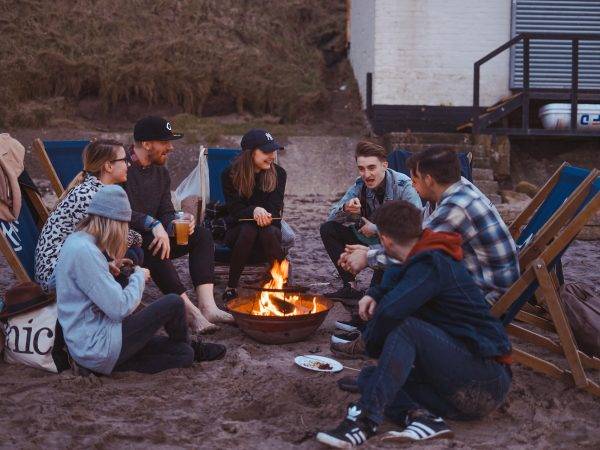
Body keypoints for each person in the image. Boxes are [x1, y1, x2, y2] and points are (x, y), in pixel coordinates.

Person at [317, 201, 512, 447]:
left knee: (405, 328)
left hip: (485, 380)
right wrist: (374, 294)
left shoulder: (432, 262)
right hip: (452, 390)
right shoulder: (417, 252)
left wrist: (372, 347)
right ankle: (421, 418)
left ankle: (365, 421)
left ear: (385, 240)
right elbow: (395, 278)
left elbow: (390, 313)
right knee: (370, 377)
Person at [55, 185, 226, 375]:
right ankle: (190, 345)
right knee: (174, 302)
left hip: (91, 348)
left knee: (183, 355)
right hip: (99, 345)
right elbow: (119, 308)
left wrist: (105, 269)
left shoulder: (77, 241)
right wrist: (139, 277)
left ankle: (189, 348)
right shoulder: (86, 252)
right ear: (114, 222)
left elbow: (81, 284)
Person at [339, 146, 519, 306]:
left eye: (415, 181)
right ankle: (369, 324)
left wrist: (367, 257)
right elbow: (418, 230)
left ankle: (370, 332)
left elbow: (416, 250)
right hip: (473, 277)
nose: (413, 186)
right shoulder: (452, 190)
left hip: (489, 295)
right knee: (403, 273)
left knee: (408, 280)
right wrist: (371, 248)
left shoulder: (457, 206)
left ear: (429, 180)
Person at [123, 116, 233, 333]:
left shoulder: (161, 172)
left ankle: (207, 306)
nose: (171, 148)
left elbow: (165, 211)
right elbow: (119, 212)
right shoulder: (121, 168)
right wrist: (154, 225)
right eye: (165, 142)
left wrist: (176, 221)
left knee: (201, 235)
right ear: (146, 144)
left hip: (157, 235)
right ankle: (191, 313)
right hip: (127, 242)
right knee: (153, 244)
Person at [35, 139, 142, 292]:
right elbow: (116, 238)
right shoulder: (89, 196)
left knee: (131, 253)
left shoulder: (92, 188)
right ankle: (114, 302)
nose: (129, 164)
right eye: (124, 160)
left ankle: (115, 299)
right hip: (56, 277)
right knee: (131, 252)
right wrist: (141, 235)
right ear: (108, 166)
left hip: (68, 263)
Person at [320, 141, 421, 303]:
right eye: (361, 169)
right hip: (369, 240)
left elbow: (415, 228)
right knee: (328, 229)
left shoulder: (403, 186)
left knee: (374, 298)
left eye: (371, 168)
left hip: (394, 247)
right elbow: (330, 216)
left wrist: (376, 228)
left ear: (384, 165)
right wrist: (346, 208)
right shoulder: (360, 185)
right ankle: (350, 286)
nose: (366, 174)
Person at [221, 129, 286, 302]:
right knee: (249, 229)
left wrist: (261, 213)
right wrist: (254, 210)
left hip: (270, 233)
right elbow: (235, 210)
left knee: (267, 230)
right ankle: (231, 287)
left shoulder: (279, 174)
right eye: (266, 151)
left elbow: (274, 209)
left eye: (273, 150)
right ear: (250, 153)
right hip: (238, 234)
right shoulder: (230, 174)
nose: (272, 155)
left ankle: (279, 285)